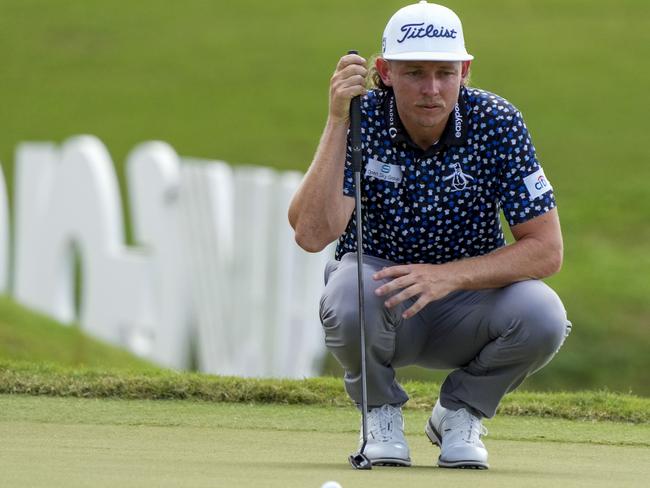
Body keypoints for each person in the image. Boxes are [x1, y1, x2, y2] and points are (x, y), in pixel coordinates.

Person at [288, 0, 571, 469]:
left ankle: (460, 412)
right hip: (381, 301)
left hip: (468, 303)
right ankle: (378, 413)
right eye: (414, 72)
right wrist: (338, 118)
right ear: (384, 71)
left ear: (466, 70)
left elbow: (547, 250)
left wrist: (448, 277)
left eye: (445, 72)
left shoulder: (498, 122)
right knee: (346, 291)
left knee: (544, 315)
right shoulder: (363, 117)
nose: (432, 89)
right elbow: (312, 235)